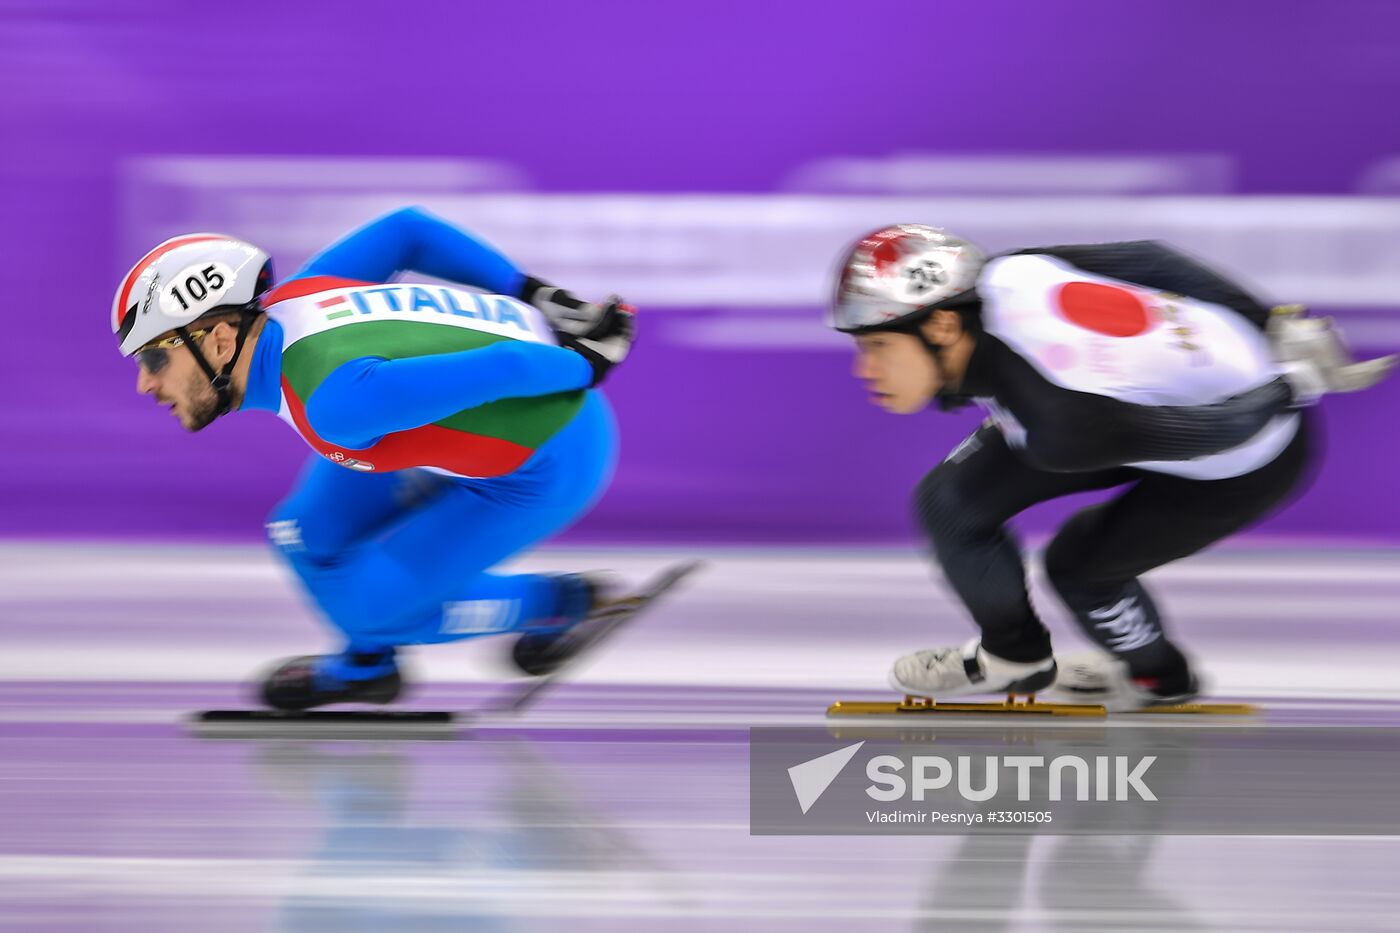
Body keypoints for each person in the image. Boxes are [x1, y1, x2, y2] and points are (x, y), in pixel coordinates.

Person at [828, 224, 1394, 709]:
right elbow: (1152, 257)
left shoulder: (1061, 421)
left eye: (877, 345)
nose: (864, 369)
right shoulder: (1007, 273)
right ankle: (1014, 657)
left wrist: (1287, 385)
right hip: (1142, 399)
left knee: (1080, 565)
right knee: (950, 502)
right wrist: (1272, 321)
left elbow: (1214, 430)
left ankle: (1161, 677)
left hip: (1247, 454)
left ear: (944, 326)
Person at [112, 207, 635, 710]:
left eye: (155, 357)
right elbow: (408, 230)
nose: (145, 383)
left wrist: (588, 361)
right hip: (457, 411)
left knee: (373, 611)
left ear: (222, 341)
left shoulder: (336, 405)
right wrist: (534, 293)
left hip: (550, 456)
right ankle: (368, 667)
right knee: (303, 534)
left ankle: (566, 606)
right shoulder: (297, 297)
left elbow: (513, 366)